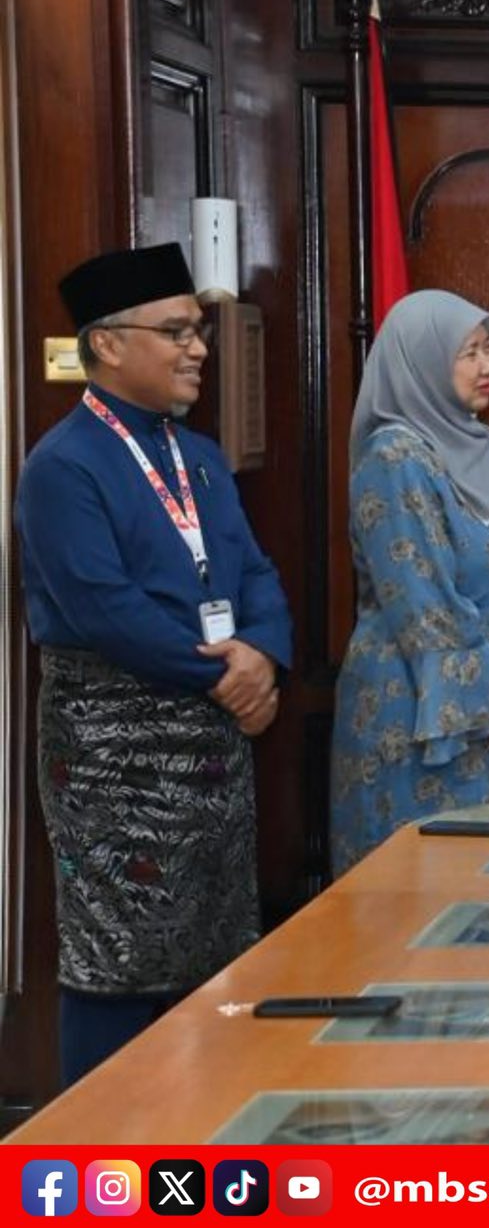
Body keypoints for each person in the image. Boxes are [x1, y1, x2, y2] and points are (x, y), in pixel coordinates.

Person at [15, 243, 291, 1084]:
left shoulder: (197, 456)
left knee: (214, 953)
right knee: (119, 960)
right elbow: (105, 609)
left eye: (197, 330)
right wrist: (229, 676)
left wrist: (264, 655)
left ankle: (204, 1134)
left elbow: (254, 572)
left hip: (212, 748)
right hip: (113, 754)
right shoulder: (62, 465)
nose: (197, 348)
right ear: (107, 344)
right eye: (175, 332)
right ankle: (103, 1148)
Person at [329, 290, 489, 874]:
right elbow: (425, 607)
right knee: (424, 901)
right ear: (423, 362)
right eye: (468, 353)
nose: (488, 365)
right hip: (421, 723)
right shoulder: (394, 458)